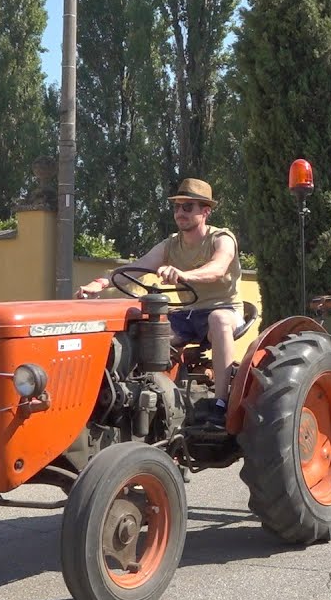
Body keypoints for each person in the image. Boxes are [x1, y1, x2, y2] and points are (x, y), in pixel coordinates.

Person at [75, 178, 243, 427]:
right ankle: (134, 401)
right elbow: (135, 269)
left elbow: (218, 268)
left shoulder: (221, 238)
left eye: (188, 207)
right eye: (177, 207)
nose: (180, 212)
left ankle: (221, 403)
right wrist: (98, 284)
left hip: (224, 309)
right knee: (143, 332)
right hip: (187, 314)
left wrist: (186, 275)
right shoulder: (170, 245)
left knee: (217, 320)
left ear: (205, 211)